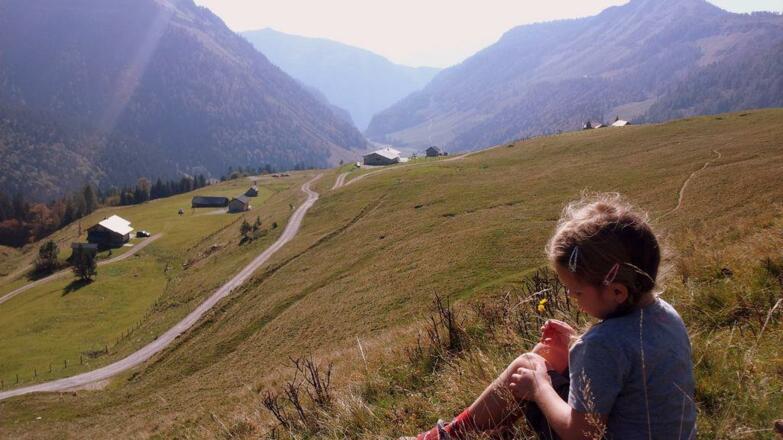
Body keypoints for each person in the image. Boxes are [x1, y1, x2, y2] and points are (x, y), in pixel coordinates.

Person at [410, 194, 696, 439]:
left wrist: (540, 387)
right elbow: (630, 368)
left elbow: (581, 434)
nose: (572, 298)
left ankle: (452, 434)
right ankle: (482, 429)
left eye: (576, 292)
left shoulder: (600, 345)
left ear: (617, 292)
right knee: (548, 353)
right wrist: (574, 343)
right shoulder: (666, 315)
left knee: (530, 365)